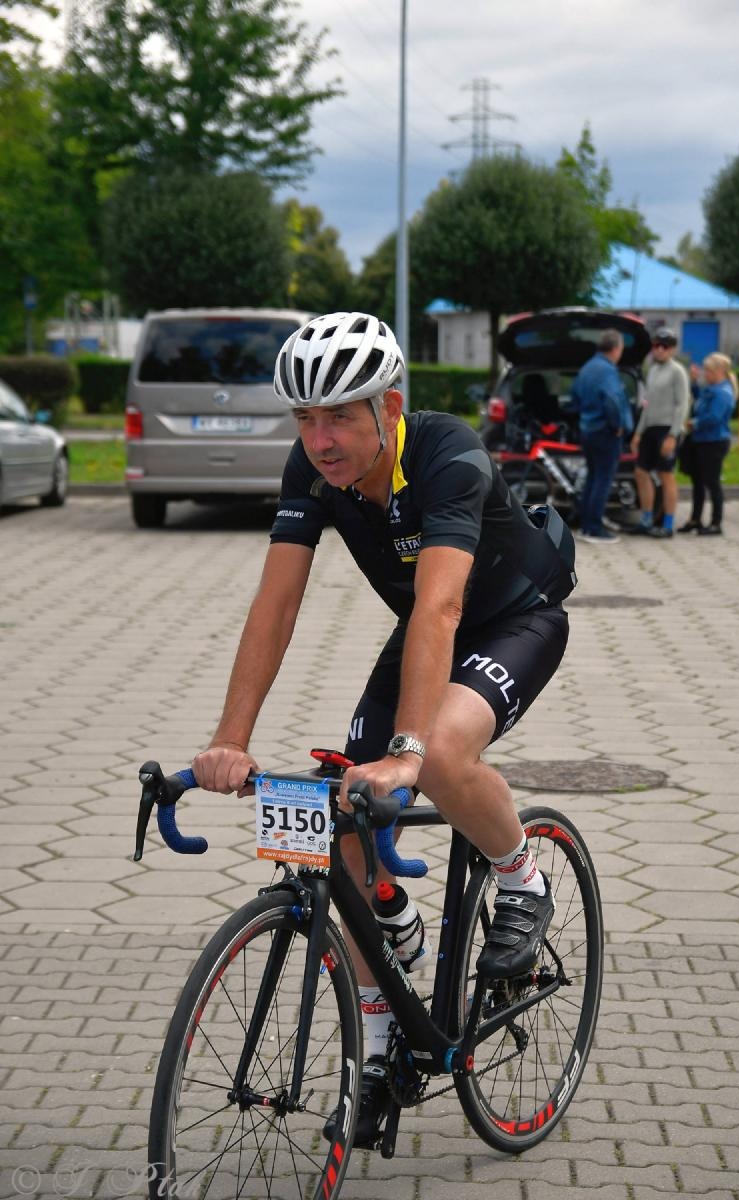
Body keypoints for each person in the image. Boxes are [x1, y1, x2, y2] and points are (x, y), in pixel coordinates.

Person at [191, 311, 573, 1147]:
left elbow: (440, 604)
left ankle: (522, 878)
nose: (319, 440)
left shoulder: (447, 455)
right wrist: (230, 738)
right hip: (426, 636)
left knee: (433, 756)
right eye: (304, 419)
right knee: (340, 809)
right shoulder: (312, 469)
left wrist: (405, 752)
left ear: (389, 408)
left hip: (510, 620)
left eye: (338, 418)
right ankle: (382, 1020)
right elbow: (277, 602)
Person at [569, 329, 633, 544]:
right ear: (615, 349)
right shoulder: (607, 371)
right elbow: (613, 400)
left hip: (587, 430)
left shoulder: (587, 368)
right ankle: (595, 528)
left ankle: (586, 526)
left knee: (593, 478)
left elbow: (574, 396)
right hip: (605, 432)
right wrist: (618, 425)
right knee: (603, 480)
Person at [629, 327, 690, 538]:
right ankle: (646, 519)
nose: (659, 350)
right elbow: (647, 404)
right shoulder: (653, 370)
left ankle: (668, 523)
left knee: (666, 475)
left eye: (664, 346)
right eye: (656, 346)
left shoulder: (677, 371)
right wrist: (638, 432)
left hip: (667, 428)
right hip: (650, 427)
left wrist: (673, 435)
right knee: (641, 472)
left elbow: (682, 405)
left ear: (672, 349)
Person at [678, 352, 737, 535]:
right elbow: (699, 402)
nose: (705, 374)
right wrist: (694, 383)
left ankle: (716, 523)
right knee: (697, 481)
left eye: (708, 371)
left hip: (714, 442)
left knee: (712, 482)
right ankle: (695, 519)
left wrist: (694, 423)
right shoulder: (711, 388)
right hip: (700, 440)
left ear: (719, 371)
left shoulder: (723, 393)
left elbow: (714, 417)